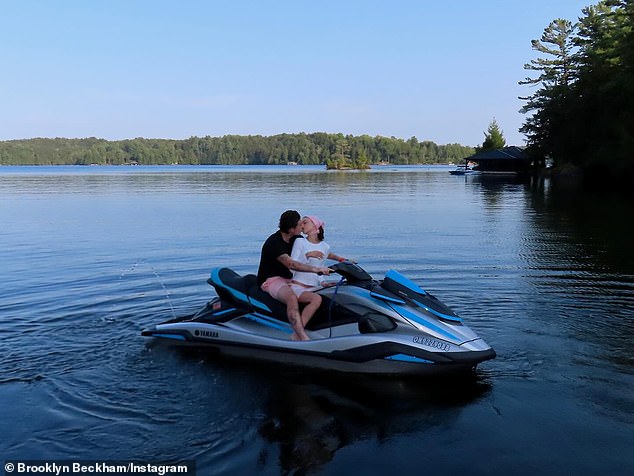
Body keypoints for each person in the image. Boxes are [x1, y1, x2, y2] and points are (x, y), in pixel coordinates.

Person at [256, 210, 330, 341]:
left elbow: (317, 251)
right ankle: (300, 336)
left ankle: (304, 330)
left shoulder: (297, 239)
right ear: (291, 229)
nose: (302, 225)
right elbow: (292, 264)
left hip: (291, 279)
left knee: (319, 296)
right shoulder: (274, 243)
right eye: (299, 224)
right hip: (272, 280)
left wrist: (340, 262)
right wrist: (316, 269)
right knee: (291, 298)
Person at [289, 215, 349, 330]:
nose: (302, 225)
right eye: (301, 223)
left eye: (305, 222)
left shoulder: (325, 247)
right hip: (298, 287)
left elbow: (319, 269)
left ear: (315, 225)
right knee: (316, 299)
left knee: (340, 293)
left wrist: (323, 283)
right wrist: (307, 256)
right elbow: (292, 267)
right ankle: (298, 331)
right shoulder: (300, 242)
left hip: (314, 287)